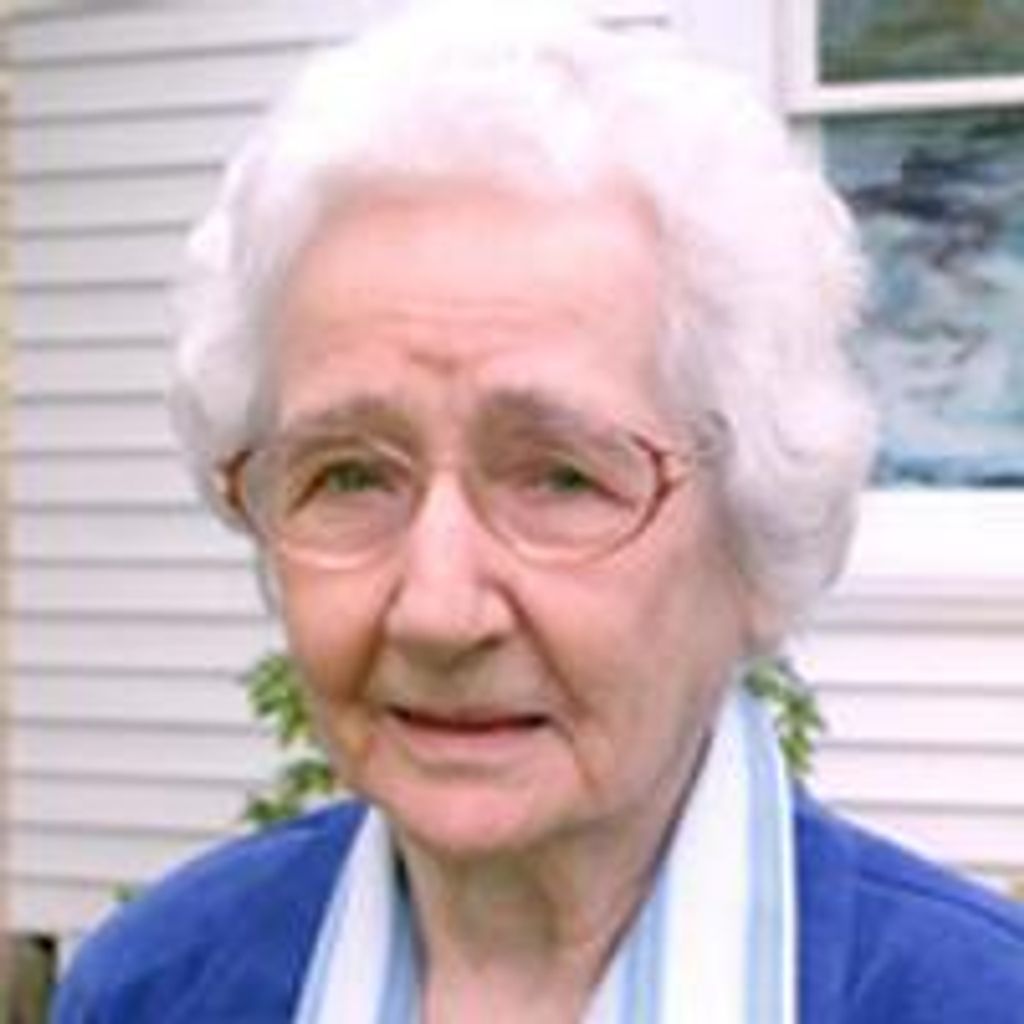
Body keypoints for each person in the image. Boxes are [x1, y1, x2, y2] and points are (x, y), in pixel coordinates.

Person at [52, 5, 1024, 1022]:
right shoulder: (153, 989)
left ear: (755, 534)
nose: (438, 610)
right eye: (349, 476)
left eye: (561, 478)